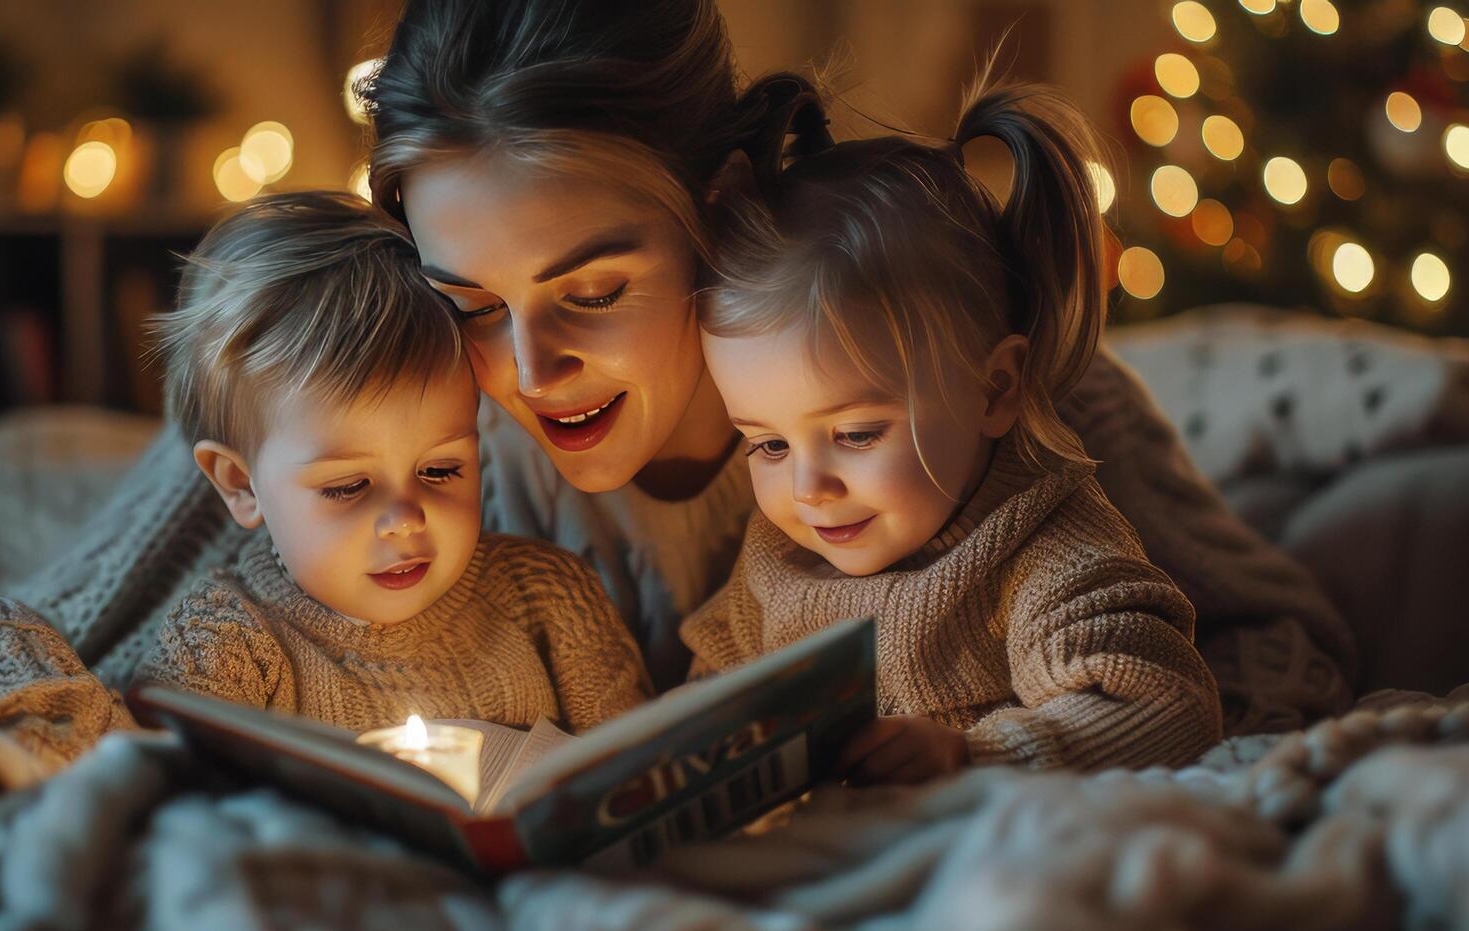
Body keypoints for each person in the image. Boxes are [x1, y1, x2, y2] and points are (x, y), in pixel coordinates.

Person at [356, 0, 1351, 729]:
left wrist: (1034, 761)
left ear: (722, 201)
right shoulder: (437, 449)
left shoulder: (988, 402)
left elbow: (1282, 643)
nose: (531, 370)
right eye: (472, 305)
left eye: (595, 292)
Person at [680, 80, 1221, 779]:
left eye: (855, 435)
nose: (808, 490)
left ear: (993, 389)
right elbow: (705, 697)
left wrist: (975, 755)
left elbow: (1163, 709)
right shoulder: (775, 566)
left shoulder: (1045, 553)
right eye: (769, 444)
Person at [132, 192, 649, 733]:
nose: (406, 516)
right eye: (349, 485)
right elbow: (167, 796)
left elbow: (636, 775)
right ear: (241, 483)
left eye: (440, 470)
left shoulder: (550, 600)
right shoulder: (223, 643)